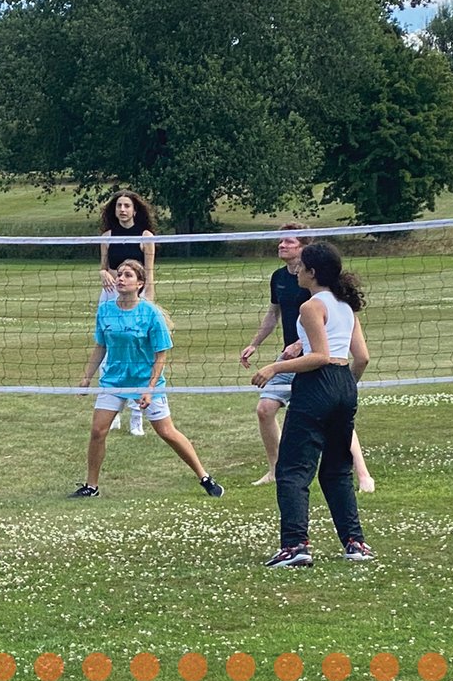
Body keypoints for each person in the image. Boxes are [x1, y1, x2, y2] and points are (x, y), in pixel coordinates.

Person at [252, 241, 373, 567]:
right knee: (336, 470)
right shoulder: (346, 305)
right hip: (344, 387)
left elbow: (319, 356)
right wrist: (343, 387)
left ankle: (295, 546)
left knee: (292, 471)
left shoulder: (311, 306)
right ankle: (355, 544)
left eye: (301, 266)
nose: (297, 270)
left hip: (316, 386)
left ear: (312, 272)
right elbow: (361, 358)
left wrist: (274, 367)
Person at [73, 260, 223, 499]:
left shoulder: (150, 313)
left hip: (146, 381)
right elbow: (100, 346)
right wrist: (86, 378)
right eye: (119, 274)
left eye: (128, 275)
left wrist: (150, 389)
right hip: (114, 381)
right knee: (97, 431)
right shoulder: (105, 310)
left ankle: (204, 477)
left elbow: (160, 355)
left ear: (139, 284)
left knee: (166, 432)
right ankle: (91, 486)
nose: (121, 278)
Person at [240, 225, 375, 492]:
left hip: (312, 359)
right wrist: (255, 344)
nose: (281, 244)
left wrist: (298, 347)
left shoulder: (318, 287)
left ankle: (362, 474)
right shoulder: (280, 278)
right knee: (265, 409)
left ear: (305, 252)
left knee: (329, 419)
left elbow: (326, 326)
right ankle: (275, 470)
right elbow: (273, 314)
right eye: (280, 240)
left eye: (289, 241)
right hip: (296, 358)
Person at [98, 190, 157, 436]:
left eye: (127, 206)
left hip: (138, 296)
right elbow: (103, 268)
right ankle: (112, 411)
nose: (122, 209)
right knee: (108, 351)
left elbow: (150, 273)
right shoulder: (107, 236)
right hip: (111, 296)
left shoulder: (146, 237)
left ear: (135, 210)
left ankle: (136, 415)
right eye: (119, 206)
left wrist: (149, 302)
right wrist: (103, 273)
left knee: (138, 354)